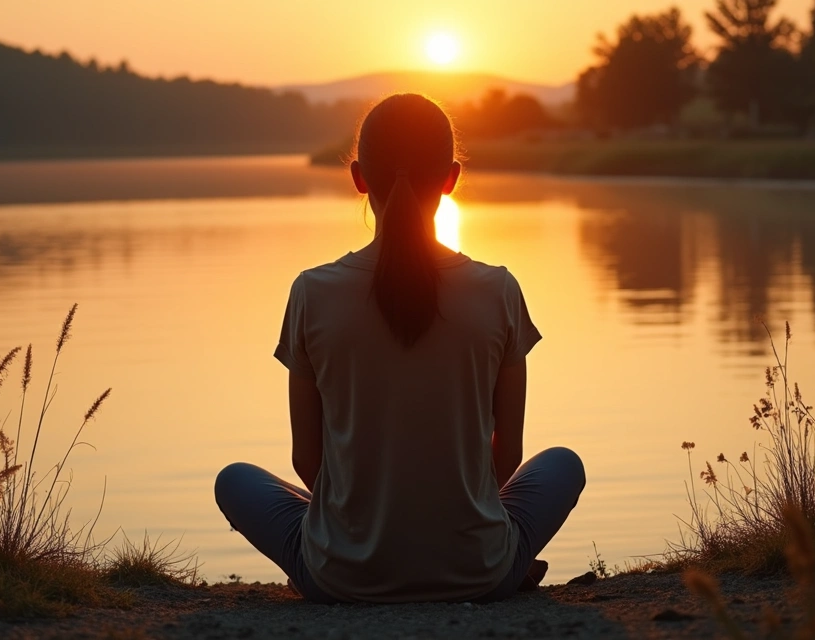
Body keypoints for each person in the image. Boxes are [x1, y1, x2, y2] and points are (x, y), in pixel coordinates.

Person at [214, 93, 585, 604]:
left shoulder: (311, 292)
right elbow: (509, 458)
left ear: (359, 177)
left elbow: (308, 462)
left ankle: (348, 550)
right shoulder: (498, 290)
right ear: (452, 179)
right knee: (563, 464)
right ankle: (489, 558)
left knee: (234, 481)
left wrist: (366, 517)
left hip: (342, 578)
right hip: (479, 572)